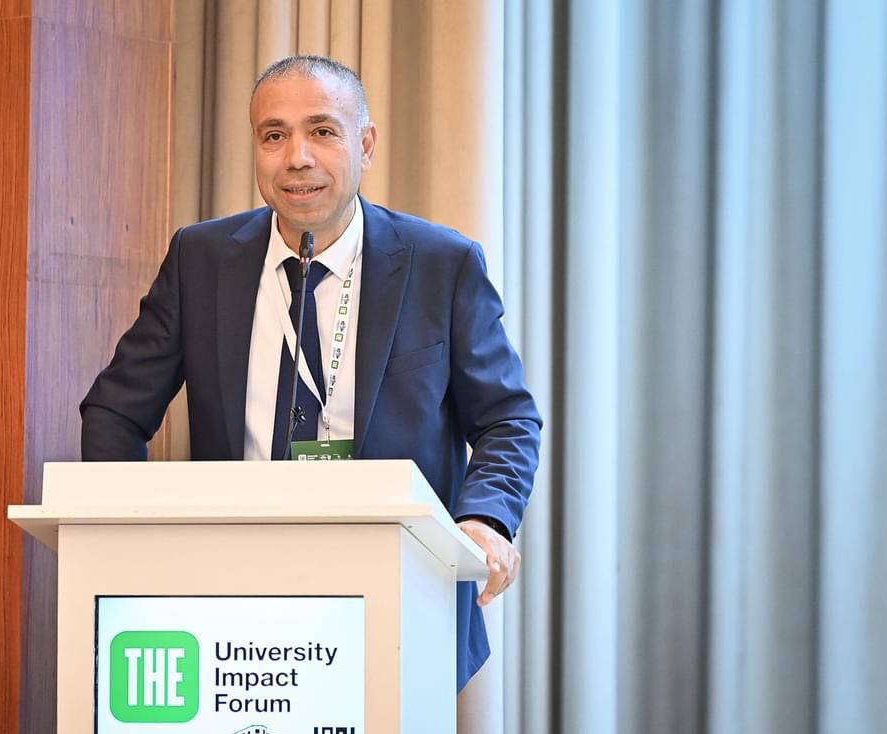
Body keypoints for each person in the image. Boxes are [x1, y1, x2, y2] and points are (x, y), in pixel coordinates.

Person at [80, 55, 541, 691]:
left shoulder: (442, 263)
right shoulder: (201, 258)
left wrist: (485, 519)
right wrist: (125, 543)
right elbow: (115, 409)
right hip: (228, 608)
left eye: (322, 131)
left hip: (399, 596)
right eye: (274, 135)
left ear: (366, 144)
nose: (297, 157)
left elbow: (507, 419)